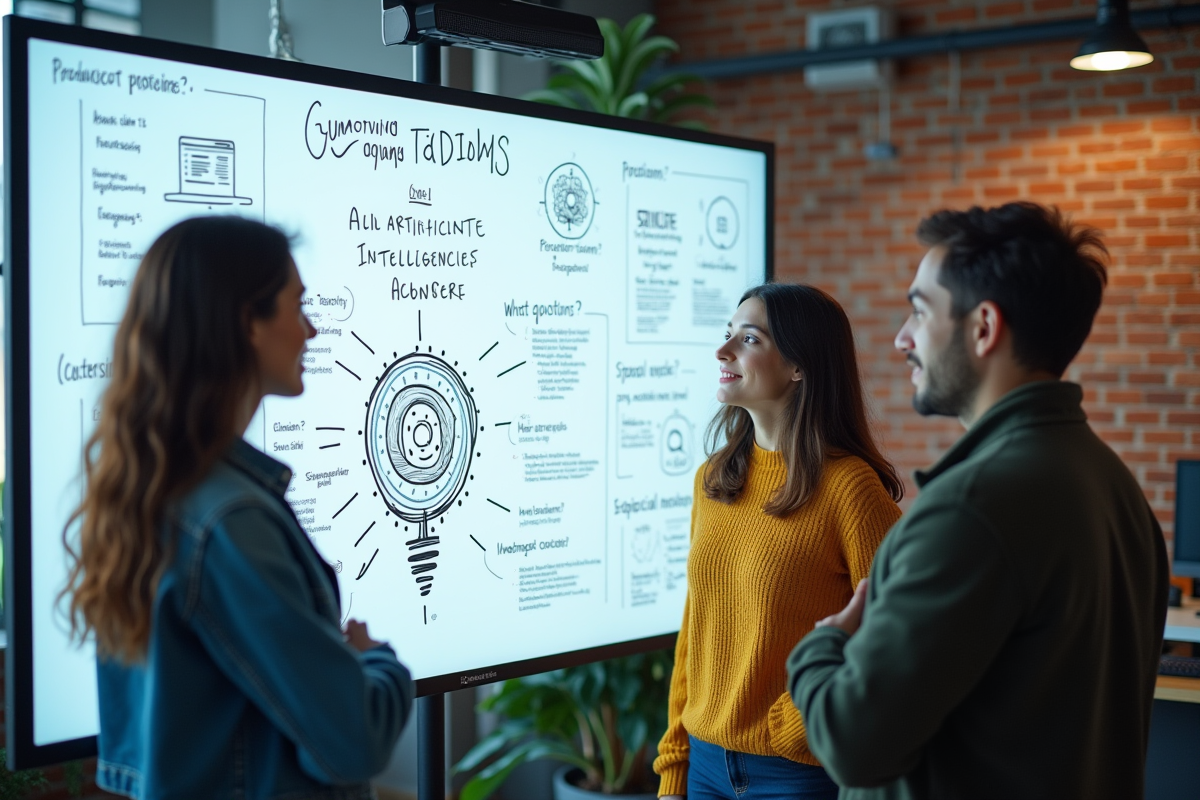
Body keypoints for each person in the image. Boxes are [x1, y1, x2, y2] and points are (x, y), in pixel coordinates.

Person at [787, 202, 1169, 799]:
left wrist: (823, 644)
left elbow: (852, 742)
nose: (901, 339)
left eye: (919, 311)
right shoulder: (1113, 485)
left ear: (984, 327)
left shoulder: (972, 509)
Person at [61, 216, 414, 800]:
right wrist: (374, 663)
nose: (312, 329)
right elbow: (352, 740)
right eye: (297, 306)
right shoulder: (229, 525)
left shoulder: (150, 492)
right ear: (247, 321)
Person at [655, 284, 904, 800]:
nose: (724, 352)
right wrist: (675, 763)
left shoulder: (850, 489)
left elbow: (900, 631)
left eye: (749, 339)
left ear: (799, 366)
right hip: (702, 763)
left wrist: (799, 719)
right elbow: (695, 633)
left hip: (796, 773)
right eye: (728, 335)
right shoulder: (714, 478)